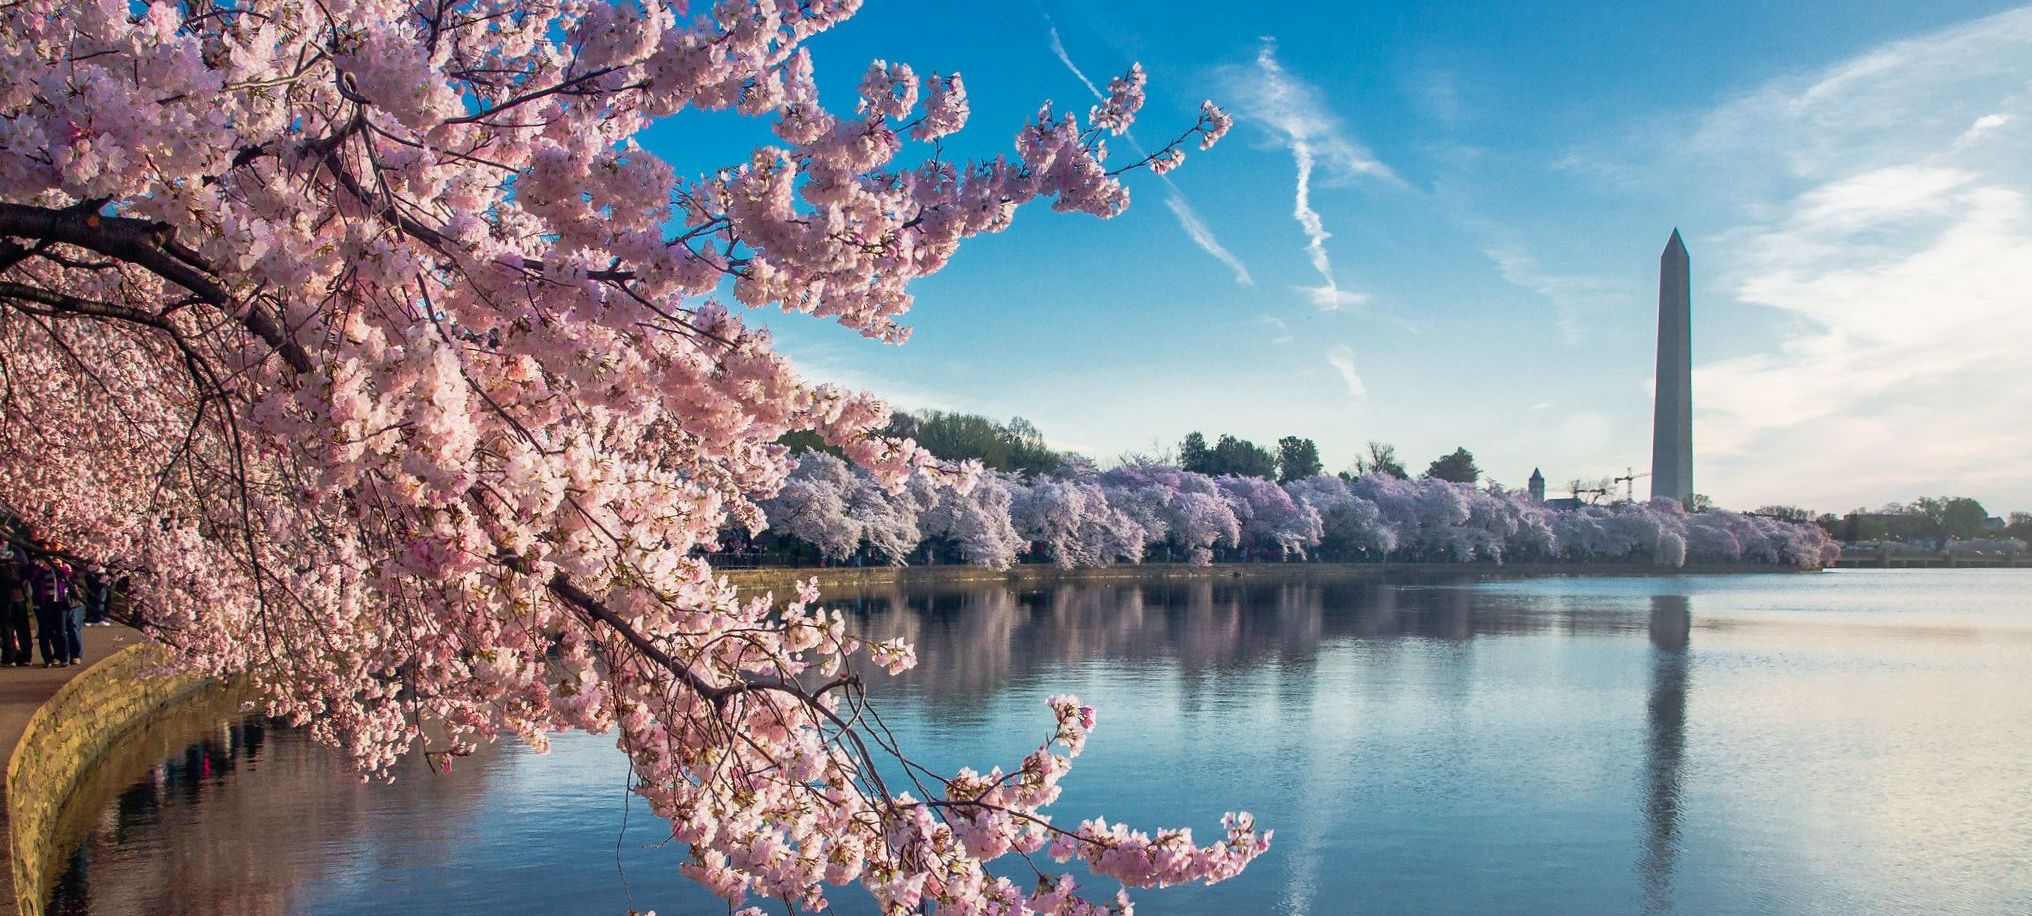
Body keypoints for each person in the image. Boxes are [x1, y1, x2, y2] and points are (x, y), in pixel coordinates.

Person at [26, 543, 76, 667]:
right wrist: (42, 568)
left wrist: (60, 567)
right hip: (43, 602)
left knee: (60, 631)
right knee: (44, 632)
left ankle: (64, 657)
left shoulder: (60, 564)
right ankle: (47, 659)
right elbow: (32, 578)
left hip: (59, 602)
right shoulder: (36, 565)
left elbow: (68, 577)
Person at [0, 543, 31, 666]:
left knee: (7, 627)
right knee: (21, 627)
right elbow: (26, 572)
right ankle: (24, 657)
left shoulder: (18, 552)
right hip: (18, 595)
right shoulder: (18, 553)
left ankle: (10, 657)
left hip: (5, 596)